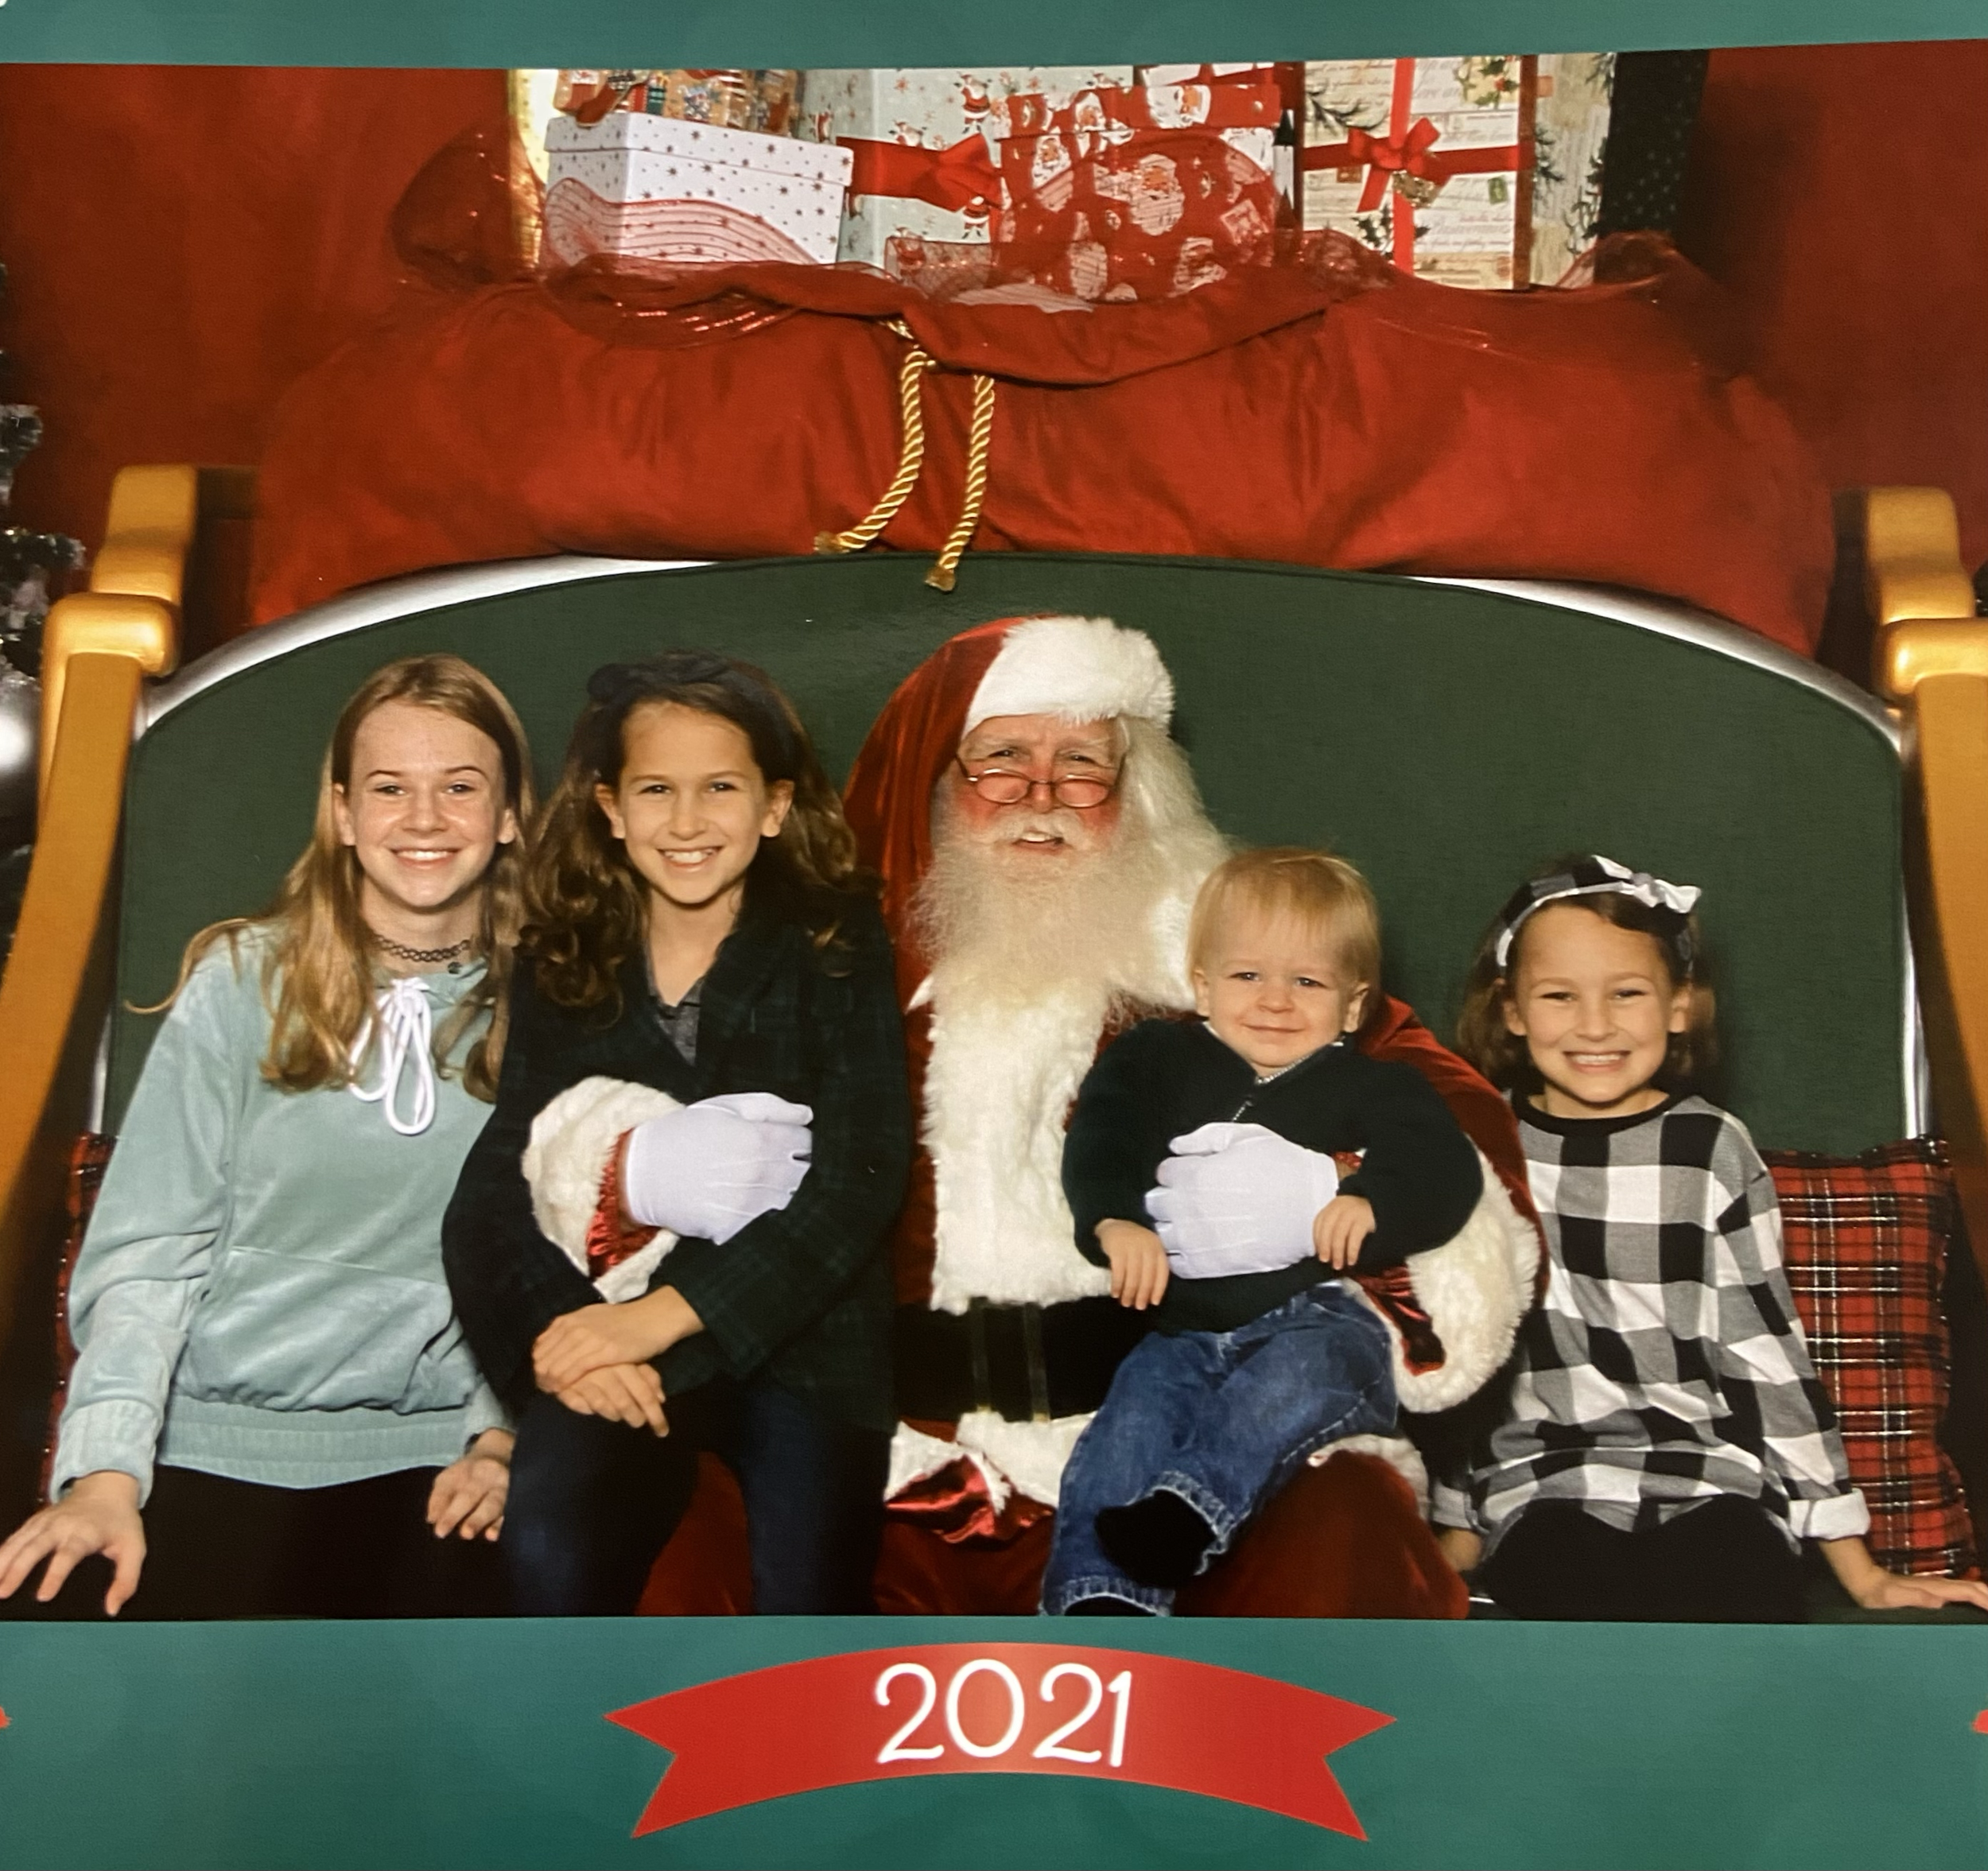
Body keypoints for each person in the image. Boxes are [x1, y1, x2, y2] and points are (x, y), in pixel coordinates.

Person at [829, 612, 1540, 1618]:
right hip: (898, 1461)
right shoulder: (838, 969)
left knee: (1348, 1535)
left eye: (1082, 765)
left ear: (1135, 794)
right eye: (1000, 761)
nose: (1041, 799)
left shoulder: (1226, 957)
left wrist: (1327, 1189)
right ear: (941, 784)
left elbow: (1442, 1119)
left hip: (1186, 1416)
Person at [0, 654, 533, 1619]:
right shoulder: (244, 980)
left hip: (432, 1456)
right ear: (341, 812)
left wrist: (499, 1441)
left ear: (506, 816)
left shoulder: (547, 1008)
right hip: (206, 1441)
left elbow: (549, 1255)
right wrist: (106, 1474)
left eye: (459, 788)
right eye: (388, 789)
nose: (422, 819)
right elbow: (148, 1255)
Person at [442, 651, 911, 1616]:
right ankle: (577, 1762)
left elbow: (860, 1176)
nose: (688, 822)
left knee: (805, 1598)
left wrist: (665, 1315)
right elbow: (500, 1182)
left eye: (721, 789)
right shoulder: (566, 947)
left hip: (802, 1343)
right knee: (550, 1540)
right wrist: (566, 1342)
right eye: (657, 789)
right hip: (612, 1331)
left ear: (775, 805)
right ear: (611, 808)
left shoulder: (834, 937)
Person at [1439, 853, 1988, 1621]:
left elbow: (1763, 1352)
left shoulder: (1711, 1149)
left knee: (1736, 1586)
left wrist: (1860, 1570)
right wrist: (1457, 1526)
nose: (1594, 1024)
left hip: (1714, 1476)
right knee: (1563, 1590)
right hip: (1543, 1481)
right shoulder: (1479, 1143)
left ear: (1680, 1005)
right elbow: (1462, 1347)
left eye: (1626, 993)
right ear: (1512, 1010)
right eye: (1559, 995)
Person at [1043, 848, 1486, 1614]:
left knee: (1304, 1376)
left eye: (1307, 982)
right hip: (1178, 1323)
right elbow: (1102, 1136)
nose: (1276, 1001)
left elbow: (1445, 1165)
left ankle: (1191, 1510)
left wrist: (1374, 1200)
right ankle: (1097, 1599)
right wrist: (1114, 1219)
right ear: (1203, 983)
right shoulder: (1156, 1058)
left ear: (1352, 1007)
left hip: (1316, 1313)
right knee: (1130, 1422)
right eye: (1249, 975)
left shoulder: (1372, 1083)